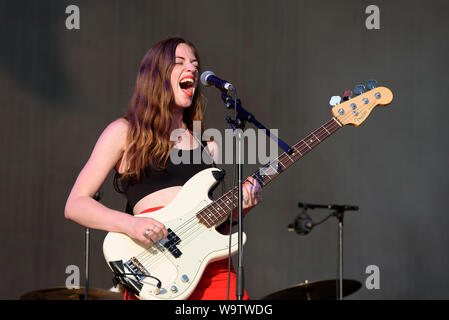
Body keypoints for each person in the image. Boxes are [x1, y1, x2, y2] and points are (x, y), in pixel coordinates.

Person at [64, 37, 262, 300]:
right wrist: (130, 224)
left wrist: (239, 210)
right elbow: (75, 204)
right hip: (154, 269)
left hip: (212, 272)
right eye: (179, 63)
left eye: (194, 63)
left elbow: (213, 226)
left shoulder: (207, 145)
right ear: (156, 76)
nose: (191, 69)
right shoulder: (124, 133)